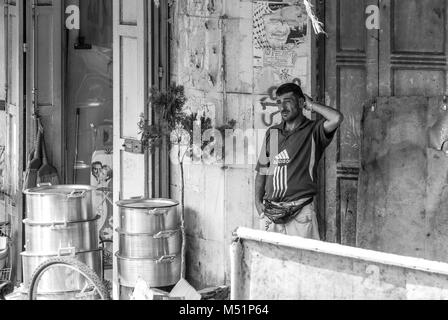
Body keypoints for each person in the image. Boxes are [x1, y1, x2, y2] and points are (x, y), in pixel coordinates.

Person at [255, 83, 344, 240]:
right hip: (270, 213)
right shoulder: (273, 133)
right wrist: (258, 202)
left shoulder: (313, 131)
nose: (282, 107)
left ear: (301, 103)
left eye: (288, 101)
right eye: (279, 102)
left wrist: (311, 104)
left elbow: (336, 118)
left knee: (301, 262)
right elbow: (263, 170)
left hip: (300, 213)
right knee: (270, 263)